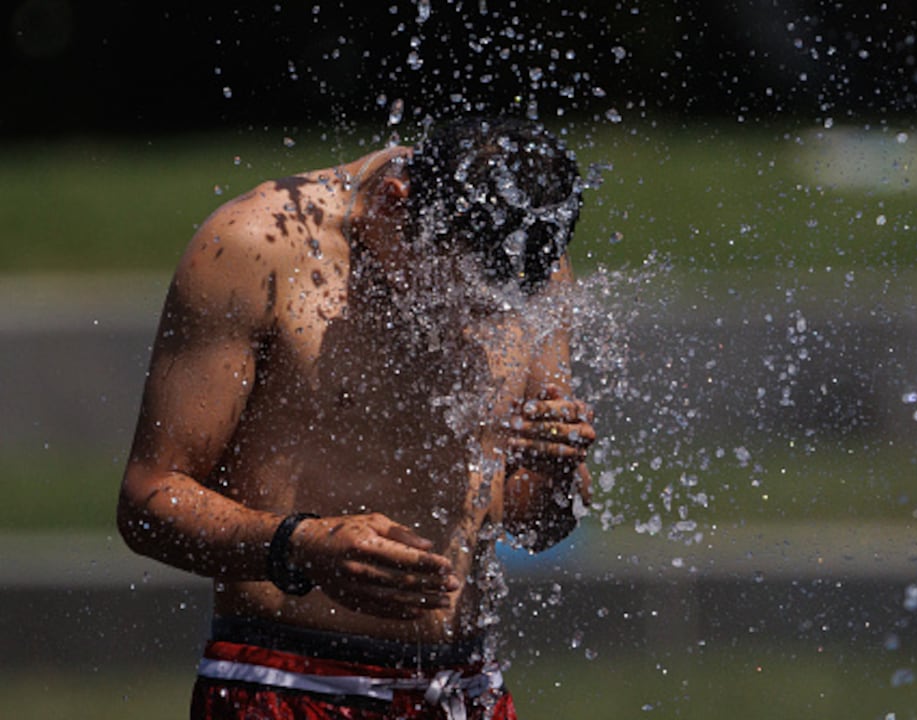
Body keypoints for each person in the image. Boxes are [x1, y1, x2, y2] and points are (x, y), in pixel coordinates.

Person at [117, 116, 596, 720]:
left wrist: (556, 470)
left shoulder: (522, 258)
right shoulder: (256, 247)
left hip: (466, 690)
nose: (463, 318)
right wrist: (301, 547)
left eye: (486, 308)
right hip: (288, 684)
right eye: (444, 289)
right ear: (394, 201)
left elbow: (536, 525)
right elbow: (148, 501)